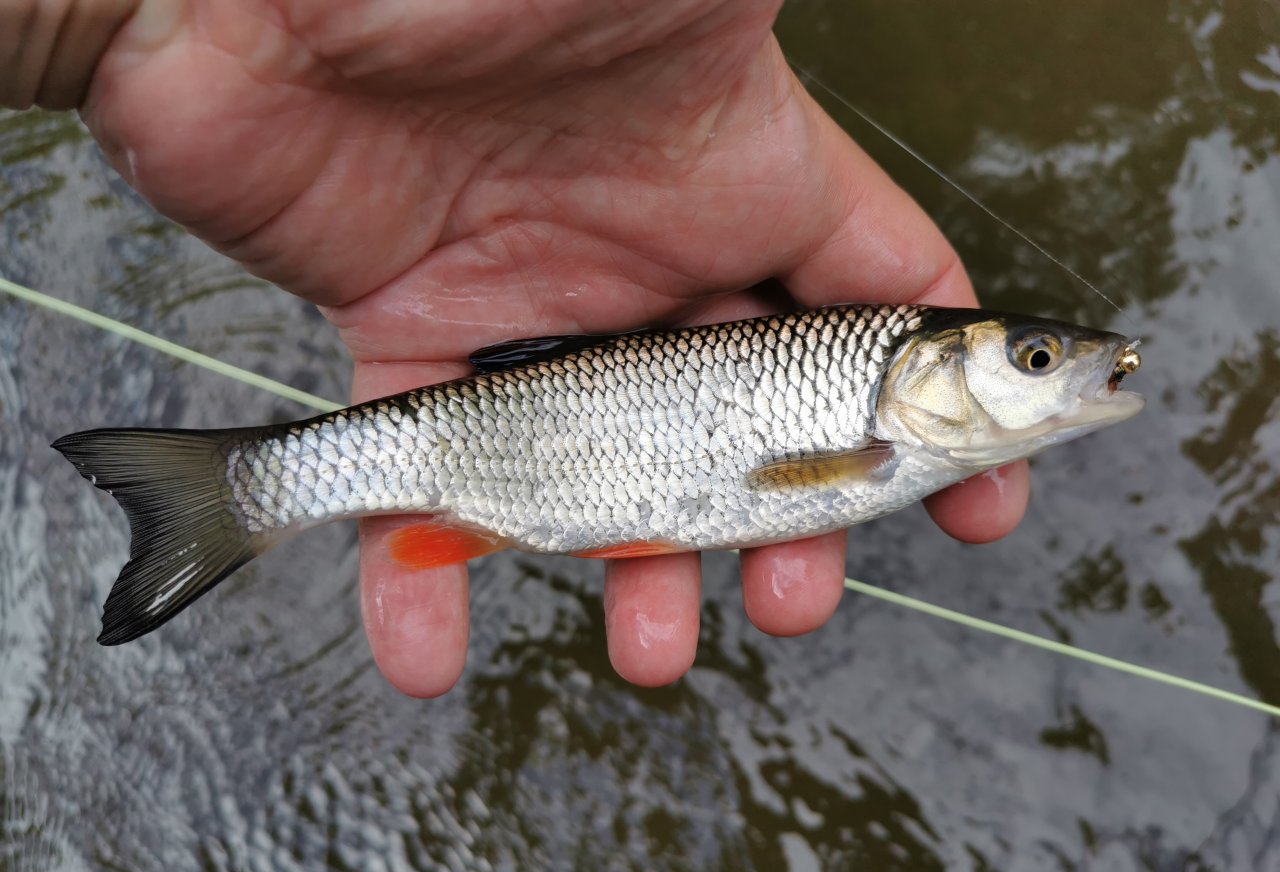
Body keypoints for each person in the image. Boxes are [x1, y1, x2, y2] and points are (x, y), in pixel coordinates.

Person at [5, 0, 1029, 696]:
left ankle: (245, 486)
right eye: (1032, 361)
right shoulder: (877, 439)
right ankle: (241, 487)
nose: (1062, 374)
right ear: (930, 370)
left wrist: (121, 21)